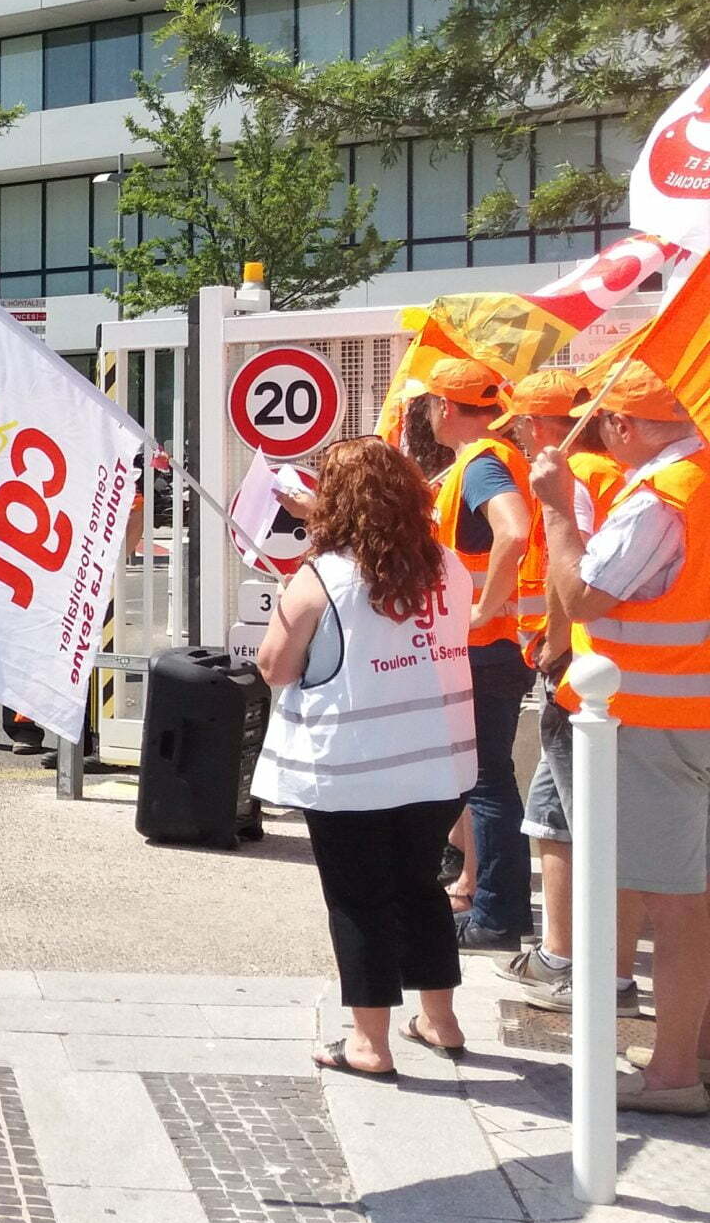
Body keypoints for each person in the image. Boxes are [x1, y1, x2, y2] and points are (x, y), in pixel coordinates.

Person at [249, 436, 475, 1081]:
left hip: (352, 767)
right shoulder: (448, 567)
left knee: (359, 899)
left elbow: (274, 668)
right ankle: (441, 1020)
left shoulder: (324, 578)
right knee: (420, 887)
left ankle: (370, 1043)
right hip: (439, 760)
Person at [531, 364, 710, 1114]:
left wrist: (558, 512)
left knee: (673, 902)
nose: (600, 432)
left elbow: (582, 594)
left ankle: (673, 1075)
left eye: (605, 420)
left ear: (627, 426)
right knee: (685, 895)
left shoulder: (662, 499)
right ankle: (686, 1053)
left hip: (653, 721)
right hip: (681, 715)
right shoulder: (696, 479)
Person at [496, 369, 641, 1015]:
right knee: (552, 812)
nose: (521, 436)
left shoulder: (571, 477)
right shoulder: (603, 473)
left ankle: (602, 979)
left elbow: (566, 570)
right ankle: (560, 957)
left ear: (544, 423)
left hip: (577, 674)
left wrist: (555, 647)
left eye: (524, 423)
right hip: (587, 669)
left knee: (592, 822)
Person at [421, 359, 538, 952]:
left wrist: (485, 610)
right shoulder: (490, 459)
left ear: (446, 406)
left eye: (432, 401)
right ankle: (492, 903)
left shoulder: (482, 464)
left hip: (484, 647)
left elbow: (513, 532)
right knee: (485, 778)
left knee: (487, 780)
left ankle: (496, 915)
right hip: (493, 646)